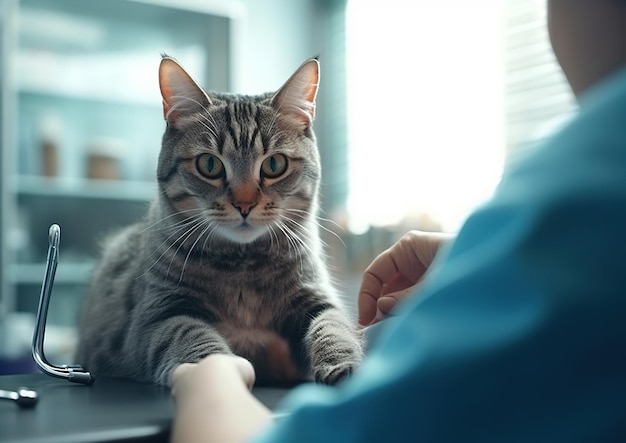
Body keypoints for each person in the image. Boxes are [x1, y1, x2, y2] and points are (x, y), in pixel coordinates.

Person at [170, 1, 626, 441]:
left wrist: (209, 382)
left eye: (273, 168)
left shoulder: (586, 184)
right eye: (211, 168)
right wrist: (476, 258)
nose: (246, 199)